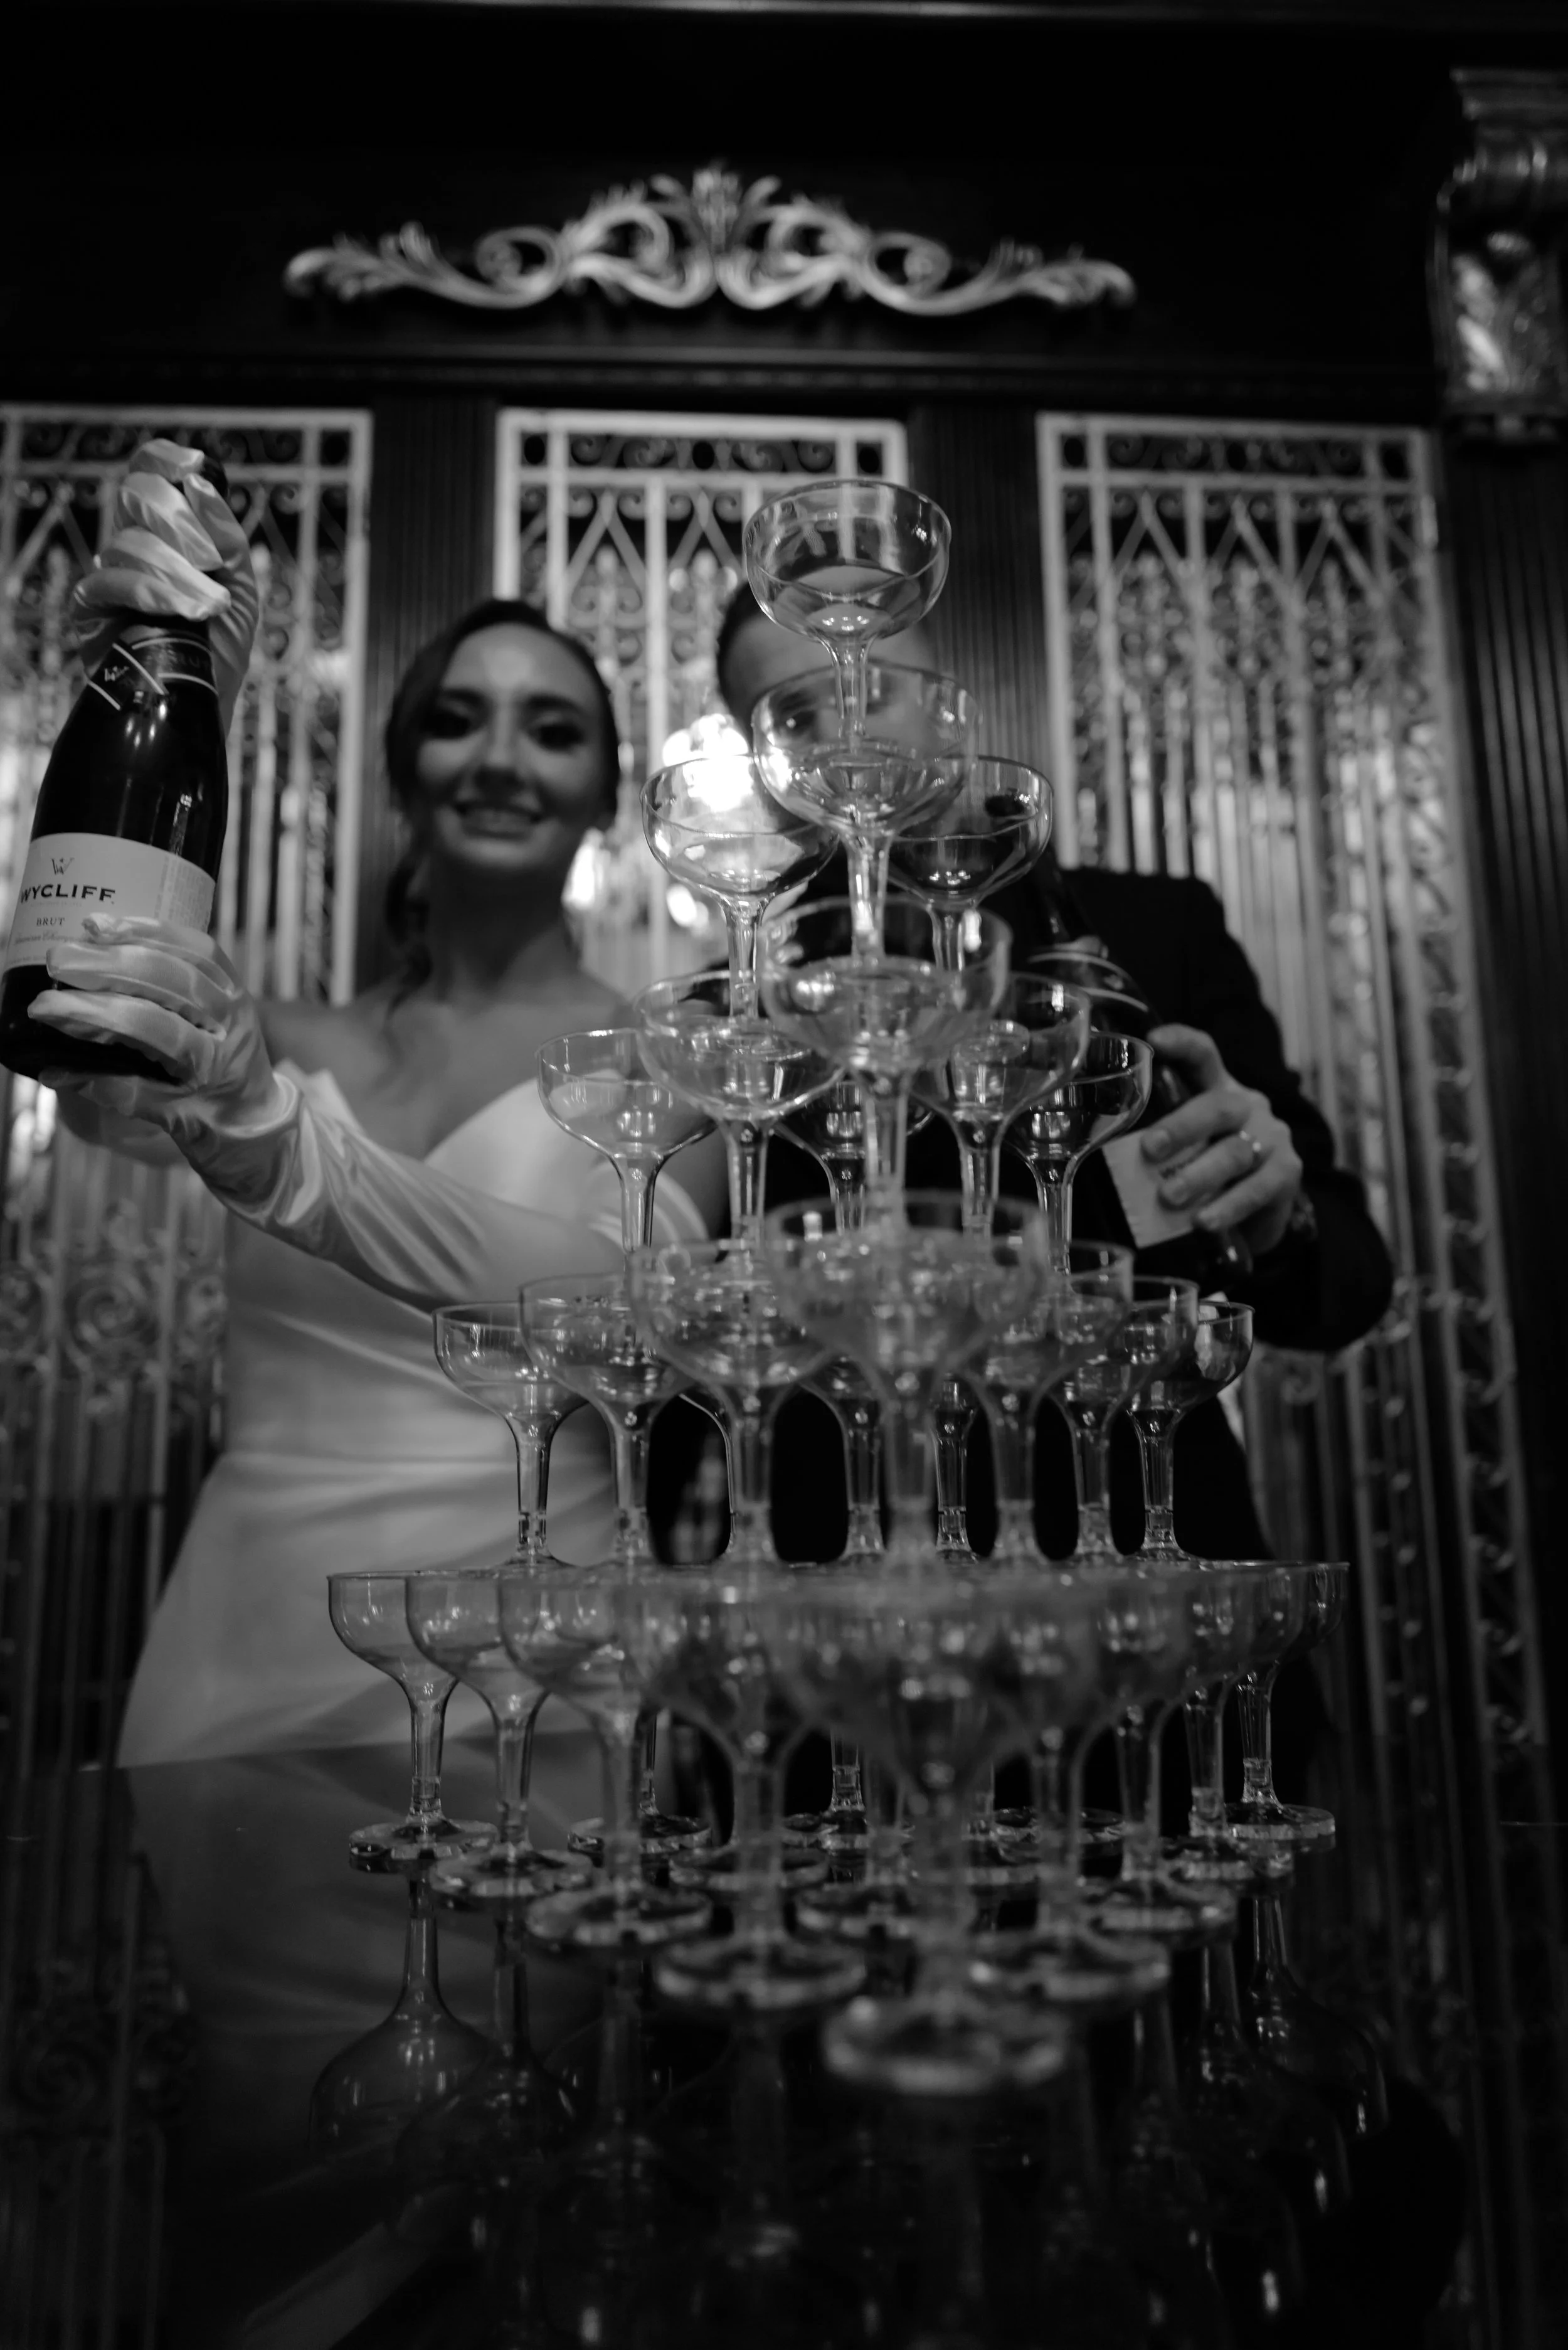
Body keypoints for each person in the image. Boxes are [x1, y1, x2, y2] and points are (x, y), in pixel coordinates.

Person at [36, 445, 722, 1767]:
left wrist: (291, 1151)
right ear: (404, 770)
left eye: (554, 729)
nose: (501, 760)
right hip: (240, 1665)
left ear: (600, 798)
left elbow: (634, 1308)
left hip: (545, 1679)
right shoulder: (274, 1037)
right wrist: (171, 704)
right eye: (458, 719)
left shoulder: (669, 1055)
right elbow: (76, 1029)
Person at [717, 582, 1394, 1807]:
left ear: (948, 704)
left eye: (873, 689)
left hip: (1147, 1613)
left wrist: (1270, 1209)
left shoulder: (1150, 930)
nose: (847, 741)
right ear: (763, 772)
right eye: (797, 719)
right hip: (849, 1659)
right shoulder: (750, 1008)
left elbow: (1345, 1275)